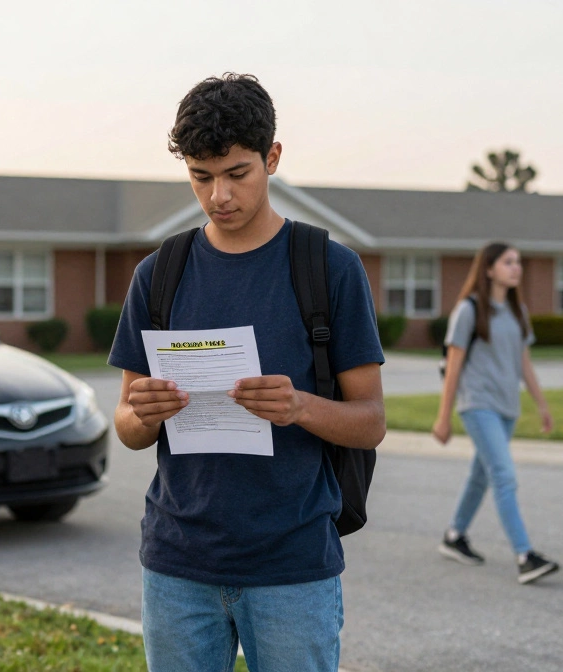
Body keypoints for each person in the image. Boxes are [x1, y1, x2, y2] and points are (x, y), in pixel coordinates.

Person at [108, 73, 385, 672]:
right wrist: (144, 414)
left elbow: (371, 422)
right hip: (177, 564)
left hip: (292, 566)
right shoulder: (159, 274)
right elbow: (126, 424)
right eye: (201, 176)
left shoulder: (330, 269)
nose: (219, 196)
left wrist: (300, 407)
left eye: (237, 173)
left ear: (272, 158)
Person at [433, 242, 560, 584]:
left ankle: (454, 535)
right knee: (504, 475)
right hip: (478, 404)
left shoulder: (518, 312)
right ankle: (525, 556)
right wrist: (444, 417)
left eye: (518, 262)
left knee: (482, 474)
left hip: (507, 407)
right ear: (488, 269)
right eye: (508, 262)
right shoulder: (469, 310)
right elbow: (453, 365)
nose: (517, 267)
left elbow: (524, 363)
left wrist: (542, 404)